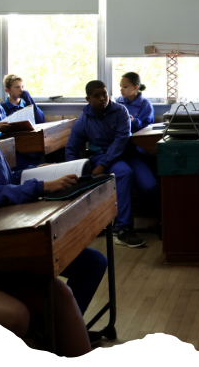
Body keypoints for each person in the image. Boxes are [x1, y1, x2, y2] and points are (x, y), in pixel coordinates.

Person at [0, 87, 107, 352]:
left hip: (16, 225)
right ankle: (53, 330)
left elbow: (8, 180)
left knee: (93, 263)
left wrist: (37, 173)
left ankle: (53, 330)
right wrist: (39, 186)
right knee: (53, 290)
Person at [65, 81, 160, 248]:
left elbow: (121, 140)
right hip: (102, 156)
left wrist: (103, 165)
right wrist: (71, 172)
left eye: (104, 94)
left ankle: (163, 221)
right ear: (88, 99)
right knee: (124, 173)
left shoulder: (120, 111)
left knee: (150, 186)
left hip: (126, 154)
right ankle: (124, 230)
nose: (102, 98)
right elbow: (71, 149)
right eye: (96, 96)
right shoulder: (83, 120)